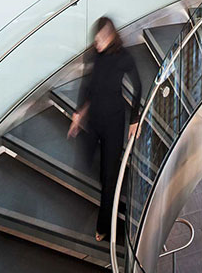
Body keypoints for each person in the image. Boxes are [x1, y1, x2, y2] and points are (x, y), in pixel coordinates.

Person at [67, 16, 141, 242]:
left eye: (100, 40)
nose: (96, 43)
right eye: (95, 40)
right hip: (95, 120)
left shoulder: (123, 57)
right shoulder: (94, 55)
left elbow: (138, 86)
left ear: (109, 37)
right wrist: (79, 113)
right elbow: (88, 85)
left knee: (109, 179)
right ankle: (109, 179)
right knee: (90, 162)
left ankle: (103, 226)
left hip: (113, 124)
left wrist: (134, 119)